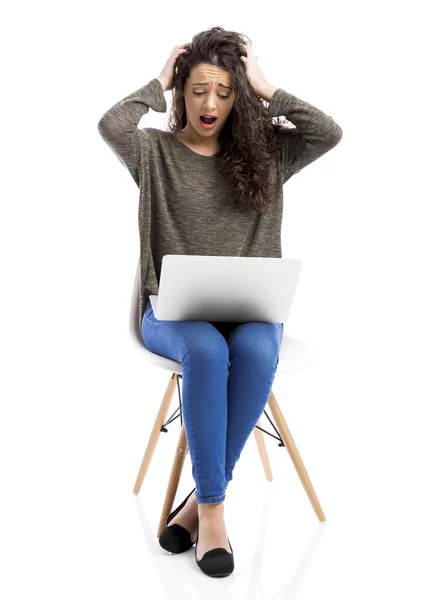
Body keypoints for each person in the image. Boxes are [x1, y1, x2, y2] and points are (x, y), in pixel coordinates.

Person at [97, 26, 342, 577]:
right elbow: (111, 124)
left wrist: (266, 87)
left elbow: (328, 133)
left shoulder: (266, 154)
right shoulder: (153, 152)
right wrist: (158, 80)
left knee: (256, 351)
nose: (211, 104)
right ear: (182, 92)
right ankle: (213, 513)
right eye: (199, 90)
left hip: (250, 313)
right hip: (173, 315)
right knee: (206, 353)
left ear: (240, 97)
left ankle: (192, 504)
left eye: (226, 93)